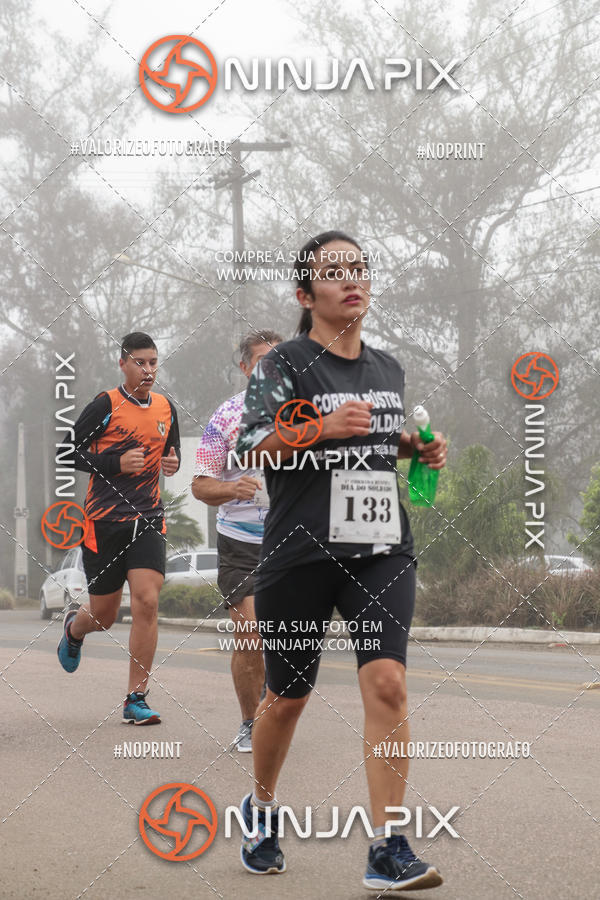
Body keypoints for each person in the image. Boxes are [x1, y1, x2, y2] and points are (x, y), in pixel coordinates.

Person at [235, 232, 448, 890]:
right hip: (300, 553)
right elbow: (253, 446)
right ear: (306, 294)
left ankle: (387, 847)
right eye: (334, 272)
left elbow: (386, 458)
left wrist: (417, 454)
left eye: (359, 268)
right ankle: (262, 810)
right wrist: (320, 427)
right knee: (288, 698)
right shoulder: (286, 365)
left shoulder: (388, 369)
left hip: (381, 550)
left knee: (387, 684)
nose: (352, 280)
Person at [57, 332, 181, 725]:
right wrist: (114, 464)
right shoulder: (105, 405)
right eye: (140, 362)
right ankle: (75, 630)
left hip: (147, 519)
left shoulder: (166, 407)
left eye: (153, 363)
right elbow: (67, 451)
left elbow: (170, 451)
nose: (148, 370)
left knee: (146, 601)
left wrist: (172, 463)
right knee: (105, 616)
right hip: (104, 524)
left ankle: (135, 697)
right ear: (123, 364)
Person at [191, 329, 283, 751]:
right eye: (261, 361)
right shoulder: (225, 418)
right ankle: (250, 722)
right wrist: (233, 489)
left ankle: (272, 698)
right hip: (240, 543)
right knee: (251, 633)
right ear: (245, 368)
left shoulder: (307, 414)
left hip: (291, 539)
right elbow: (200, 486)